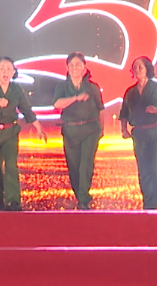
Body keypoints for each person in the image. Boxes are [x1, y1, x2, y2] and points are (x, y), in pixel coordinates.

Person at [0, 56, 46, 211]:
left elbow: (26, 109)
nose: (5, 72)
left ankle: (13, 201)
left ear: (13, 72)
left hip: (10, 132)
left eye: (9, 69)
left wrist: (38, 128)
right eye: (2, 69)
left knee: (11, 165)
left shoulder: (16, 89)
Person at [120, 56, 157, 210]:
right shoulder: (130, 92)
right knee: (144, 169)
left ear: (147, 69)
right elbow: (124, 113)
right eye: (135, 67)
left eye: (140, 67)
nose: (137, 70)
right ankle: (149, 202)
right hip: (140, 134)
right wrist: (124, 129)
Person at [52, 52, 105, 210]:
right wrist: (75, 98)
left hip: (90, 130)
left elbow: (101, 108)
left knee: (86, 165)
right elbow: (57, 104)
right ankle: (80, 196)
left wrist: (101, 129)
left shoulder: (92, 87)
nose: (75, 68)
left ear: (84, 67)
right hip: (71, 131)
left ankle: (84, 199)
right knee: (74, 166)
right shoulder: (62, 86)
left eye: (78, 65)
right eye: (72, 65)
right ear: (67, 67)